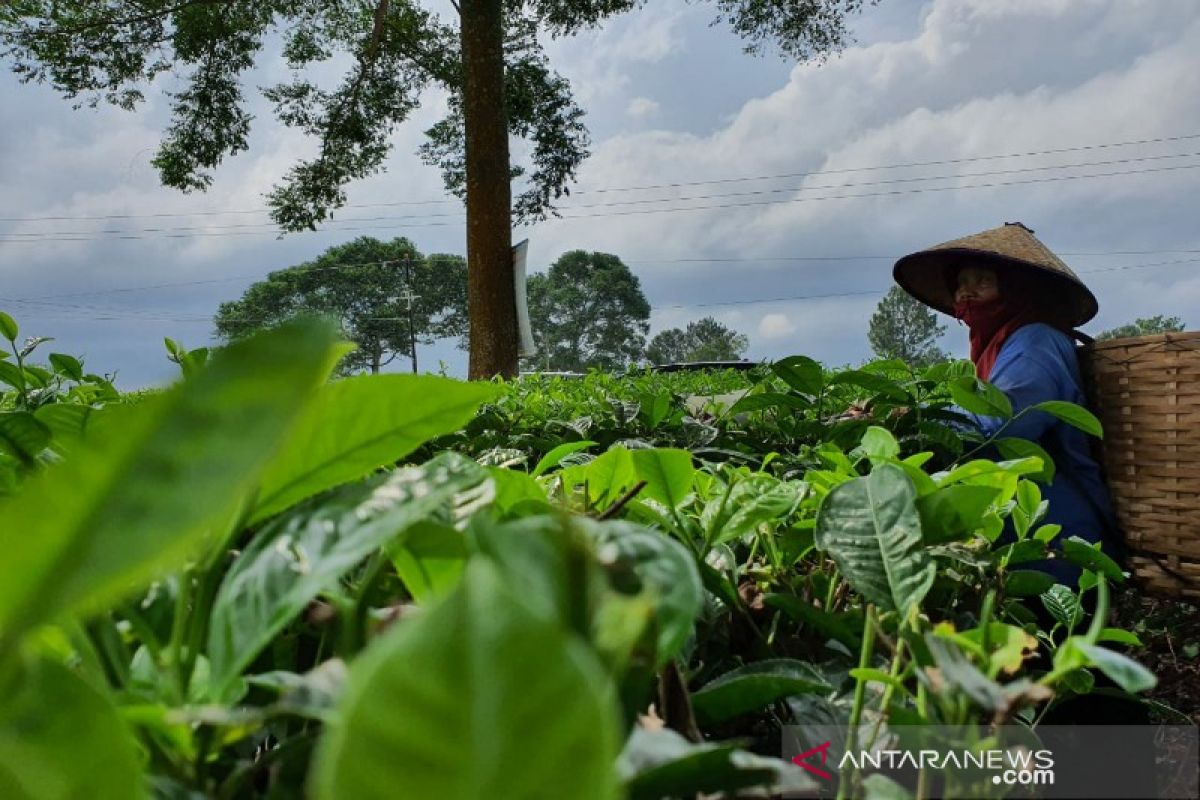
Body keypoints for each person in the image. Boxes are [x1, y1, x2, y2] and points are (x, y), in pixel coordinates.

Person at [893, 222, 1122, 587]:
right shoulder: (1002, 345)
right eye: (961, 282)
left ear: (1018, 288)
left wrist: (916, 420)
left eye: (982, 281)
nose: (967, 292)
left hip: (1056, 526)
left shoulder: (1036, 341)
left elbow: (1003, 423)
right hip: (1028, 521)